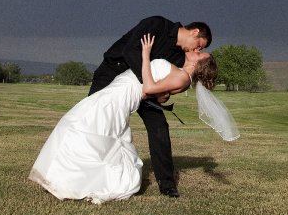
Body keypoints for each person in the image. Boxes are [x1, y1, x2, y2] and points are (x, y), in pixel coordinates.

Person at [29, 33, 217, 203]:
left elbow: (149, 88)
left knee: (85, 124)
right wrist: (163, 93)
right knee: (83, 122)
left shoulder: (183, 78)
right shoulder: (178, 71)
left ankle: (77, 180)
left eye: (201, 54)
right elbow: (159, 94)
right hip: (119, 88)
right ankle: (68, 175)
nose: (197, 51)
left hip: (122, 96)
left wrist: (145, 54)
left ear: (199, 64)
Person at [87, 16, 212, 196]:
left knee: (159, 126)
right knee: (91, 118)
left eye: (200, 50)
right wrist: (148, 85)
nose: (197, 49)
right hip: (111, 74)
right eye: (200, 45)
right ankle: (91, 169)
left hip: (144, 90)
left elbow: (168, 81)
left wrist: (162, 94)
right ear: (195, 32)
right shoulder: (157, 24)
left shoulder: (179, 56)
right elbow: (130, 51)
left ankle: (167, 184)